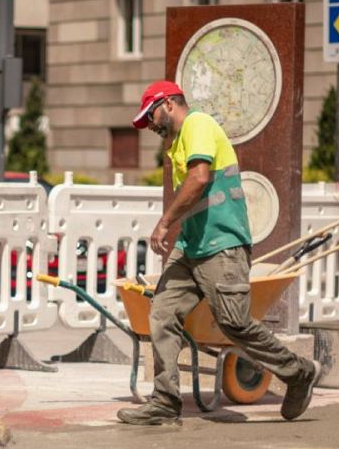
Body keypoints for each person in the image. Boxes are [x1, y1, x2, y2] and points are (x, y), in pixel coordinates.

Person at [120, 80, 318, 427]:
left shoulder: (198, 125)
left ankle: (298, 372)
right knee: (162, 315)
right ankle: (165, 402)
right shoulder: (178, 142)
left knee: (234, 323)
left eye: (149, 115)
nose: (149, 125)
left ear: (167, 103)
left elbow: (199, 179)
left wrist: (165, 223)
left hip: (222, 245)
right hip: (191, 246)